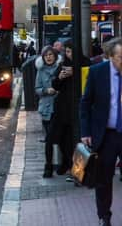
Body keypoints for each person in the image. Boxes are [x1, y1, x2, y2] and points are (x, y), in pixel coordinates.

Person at [80, 37, 122, 226]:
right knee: (104, 178)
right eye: (121, 57)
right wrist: (86, 131)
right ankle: (104, 216)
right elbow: (86, 103)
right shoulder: (97, 73)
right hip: (107, 134)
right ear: (111, 57)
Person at [49, 41, 75, 179]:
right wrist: (60, 77)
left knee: (73, 139)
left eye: (71, 51)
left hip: (76, 108)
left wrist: (75, 73)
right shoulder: (62, 65)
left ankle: (72, 166)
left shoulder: (85, 64)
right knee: (60, 138)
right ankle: (66, 163)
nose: (68, 54)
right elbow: (55, 85)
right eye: (67, 51)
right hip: (63, 108)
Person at [34, 45, 60, 178]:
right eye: (46, 55)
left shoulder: (60, 69)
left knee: (56, 138)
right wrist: (45, 91)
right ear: (43, 58)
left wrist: (57, 90)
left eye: (51, 55)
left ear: (55, 56)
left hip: (59, 108)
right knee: (49, 139)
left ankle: (58, 165)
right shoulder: (41, 71)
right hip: (46, 109)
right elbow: (37, 89)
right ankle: (49, 165)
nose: (49, 57)